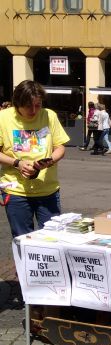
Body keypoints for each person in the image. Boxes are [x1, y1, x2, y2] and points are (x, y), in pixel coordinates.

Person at [0, 80, 69, 238]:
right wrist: (17, 163)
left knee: (53, 238)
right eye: (28, 106)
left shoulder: (49, 115)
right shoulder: (3, 118)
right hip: (16, 190)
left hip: (48, 189)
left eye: (37, 105)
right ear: (17, 103)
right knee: (22, 239)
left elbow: (60, 147)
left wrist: (48, 161)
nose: (34, 110)